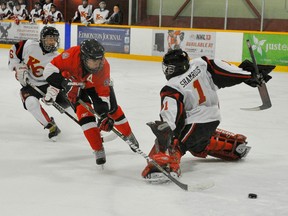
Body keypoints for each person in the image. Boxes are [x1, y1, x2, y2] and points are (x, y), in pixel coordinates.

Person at [141, 49, 274, 183]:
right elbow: (225, 71)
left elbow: (170, 113)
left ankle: (165, 167)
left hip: (195, 121)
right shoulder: (201, 64)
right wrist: (249, 74)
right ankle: (234, 147)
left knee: (174, 144)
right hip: (213, 118)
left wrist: (166, 129)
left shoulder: (172, 87)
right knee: (197, 145)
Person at [42, 39, 139, 166]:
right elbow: (48, 71)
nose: (99, 64)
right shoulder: (70, 56)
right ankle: (98, 148)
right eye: (94, 61)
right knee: (84, 114)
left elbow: (103, 96)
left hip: (96, 85)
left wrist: (104, 115)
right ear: (84, 58)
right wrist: (64, 83)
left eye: (100, 60)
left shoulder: (103, 67)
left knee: (112, 110)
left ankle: (128, 134)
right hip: (75, 85)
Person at [8, 26, 63, 141]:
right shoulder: (28, 45)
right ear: (42, 39)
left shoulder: (57, 57)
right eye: (49, 39)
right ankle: (51, 126)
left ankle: (87, 123)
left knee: (68, 105)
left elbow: (61, 78)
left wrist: (53, 90)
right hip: (30, 84)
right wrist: (17, 67)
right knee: (31, 103)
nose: (52, 42)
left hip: (49, 85)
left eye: (54, 39)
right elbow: (14, 51)